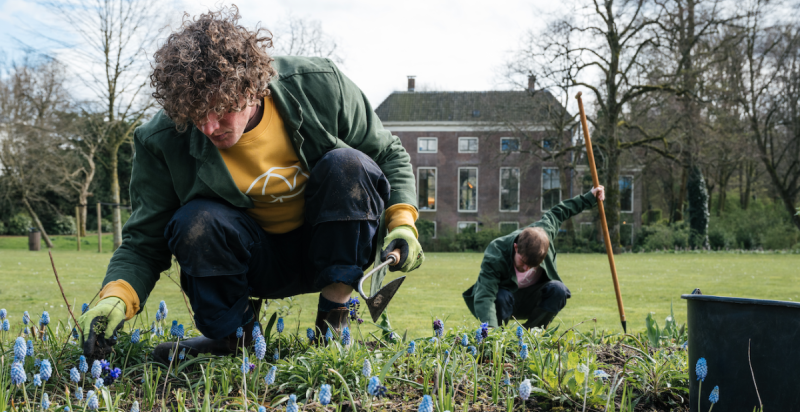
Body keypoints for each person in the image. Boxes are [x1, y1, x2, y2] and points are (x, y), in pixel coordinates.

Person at [76, 6, 424, 362]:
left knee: (348, 164)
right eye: (196, 114)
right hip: (247, 261)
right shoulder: (162, 140)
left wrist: (403, 224)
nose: (209, 127)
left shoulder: (320, 84)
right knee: (195, 219)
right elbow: (144, 242)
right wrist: (116, 295)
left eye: (220, 109)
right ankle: (233, 339)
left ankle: (333, 323)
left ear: (253, 87)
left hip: (330, 245)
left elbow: (388, 154)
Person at [462, 186, 605, 329]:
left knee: (559, 290)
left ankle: (531, 334)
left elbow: (560, 212)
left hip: (534, 299)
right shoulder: (497, 251)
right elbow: (485, 296)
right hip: (504, 301)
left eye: (531, 266)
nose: (525, 269)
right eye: (523, 262)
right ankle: (501, 338)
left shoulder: (545, 232)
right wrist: (491, 333)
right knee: (501, 296)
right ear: (516, 247)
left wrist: (590, 197)